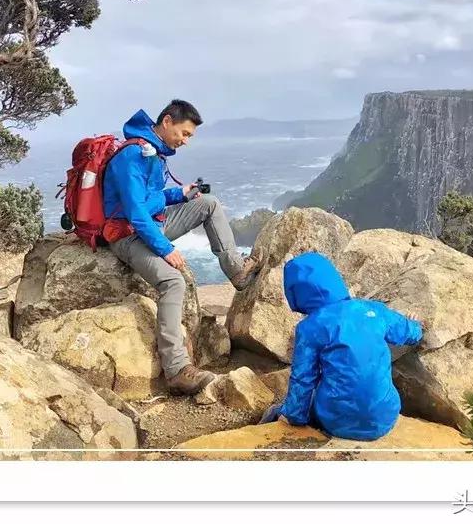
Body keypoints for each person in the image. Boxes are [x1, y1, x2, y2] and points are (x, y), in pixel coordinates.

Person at [103, 99, 263, 395]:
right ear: (167, 122)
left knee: (209, 203)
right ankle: (177, 370)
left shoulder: (153, 152)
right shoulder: (133, 156)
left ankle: (237, 272)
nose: (185, 141)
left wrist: (180, 193)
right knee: (173, 281)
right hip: (126, 235)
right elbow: (136, 214)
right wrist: (165, 249)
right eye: (184, 133)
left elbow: (150, 201)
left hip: (152, 223)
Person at [261, 251, 424, 440]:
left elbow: (303, 378)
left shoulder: (309, 327)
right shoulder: (372, 308)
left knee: (277, 409)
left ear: (296, 292)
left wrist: (294, 416)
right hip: (384, 418)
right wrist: (416, 327)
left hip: (337, 422)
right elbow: (408, 333)